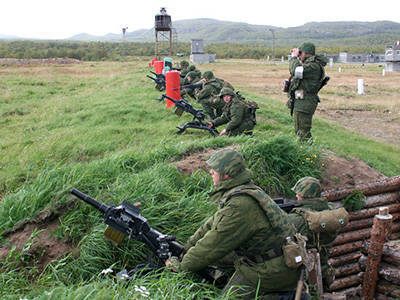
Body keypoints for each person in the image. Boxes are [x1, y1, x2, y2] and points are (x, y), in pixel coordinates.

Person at [166, 149, 301, 299]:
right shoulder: (244, 190)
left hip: (271, 270)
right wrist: (185, 248)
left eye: (215, 169)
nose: (210, 172)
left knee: (227, 297)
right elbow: (211, 225)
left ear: (227, 174)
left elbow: (213, 246)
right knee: (219, 260)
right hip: (276, 257)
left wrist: (181, 266)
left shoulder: (240, 205)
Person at [288, 177, 338, 288]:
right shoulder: (330, 212)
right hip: (324, 268)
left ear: (303, 195)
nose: (296, 196)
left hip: (305, 274)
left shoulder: (297, 219)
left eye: (298, 193)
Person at [288, 42, 328, 141]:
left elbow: (295, 70)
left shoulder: (313, 66)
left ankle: (309, 152)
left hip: (306, 102)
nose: (299, 55)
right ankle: (303, 150)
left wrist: (293, 58)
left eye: (300, 53)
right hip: (301, 100)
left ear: (306, 53)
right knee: (299, 130)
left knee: (303, 132)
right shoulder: (308, 64)